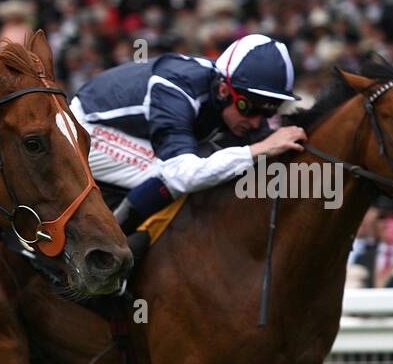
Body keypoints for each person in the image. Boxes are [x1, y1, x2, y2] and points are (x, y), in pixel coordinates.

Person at [70, 33, 307, 260]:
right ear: (224, 90)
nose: (257, 121)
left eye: (269, 110)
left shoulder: (226, 90)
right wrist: (259, 149)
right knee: (173, 175)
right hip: (85, 128)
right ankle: (102, 251)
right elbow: (181, 175)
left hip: (136, 132)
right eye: (249, 107)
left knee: (216, 162)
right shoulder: (176, 89)